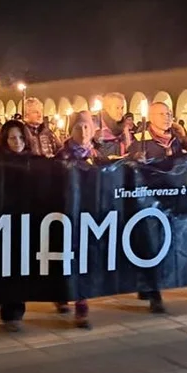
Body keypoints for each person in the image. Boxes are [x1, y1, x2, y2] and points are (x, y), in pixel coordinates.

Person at [127, 101, 187, 314]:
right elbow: (129, 166)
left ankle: (148, 285)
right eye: (162, 114)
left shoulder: (175, 140)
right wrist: (137, 161)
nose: (167, 117)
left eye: (169, 113)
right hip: (149, 201)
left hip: (171, 199)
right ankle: (154, 293)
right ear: (151, 117)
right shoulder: (140, 142)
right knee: (151, 245)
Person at [0, 120, 33, 331]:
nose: (18, 142)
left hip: (24, 222)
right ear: (4, 140)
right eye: (13, 138)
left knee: (19, 268)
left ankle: (13, 313)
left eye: (21, 138)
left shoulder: (33, 161)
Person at [57, 110, 103, 328]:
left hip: (89, 213)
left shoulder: (97, 155)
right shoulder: (62, 155)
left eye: (87, 127)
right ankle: (61, 294)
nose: (83, 131)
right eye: (78, 127)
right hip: (67, 212)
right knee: (66, 256)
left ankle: (81, 305)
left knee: (84, 258)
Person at [93, 92, 132, 158]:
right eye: (117, 108)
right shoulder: (95, 125)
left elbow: (129, 149)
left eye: (122, 108)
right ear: (107, 108)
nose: (120, 112)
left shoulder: (124, 127)